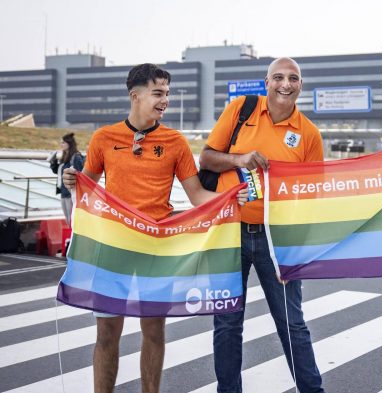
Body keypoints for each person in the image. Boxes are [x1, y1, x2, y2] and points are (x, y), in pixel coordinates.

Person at [63, 63, 247, 393]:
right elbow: (86, 186)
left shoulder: (175, 142)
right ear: (135, 95)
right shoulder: (104, 137)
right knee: (106, 334)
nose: (165, 101)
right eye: (158, 93)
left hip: (156, 248)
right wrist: (69, 180)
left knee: (153, 331)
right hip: (112, 248)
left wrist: (230, 197)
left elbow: (196, 195)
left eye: (168, 94)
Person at [200, 57, 325, 393]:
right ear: (267, 81)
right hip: (230, 231)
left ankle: (312, 390)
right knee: (227, 323)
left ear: (301, 85)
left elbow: (311, 196)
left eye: (294, 78)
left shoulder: (309, 134)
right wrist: (240, 159)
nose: (286, 84)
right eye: (279, 77)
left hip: (277, 239)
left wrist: (296, 252)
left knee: (291, 323)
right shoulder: (242, 109)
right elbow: (207, 157)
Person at [49, 133, 84, 227]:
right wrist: (53, 162)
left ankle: (74, 240)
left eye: (63, 142)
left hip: (71, 193)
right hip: (63, 192)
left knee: (73, 221)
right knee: (69, 220)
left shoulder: (75, 157)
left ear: (69, 144)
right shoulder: (65, 157)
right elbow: (58, 172)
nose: (61, 144)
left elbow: (82, 174)